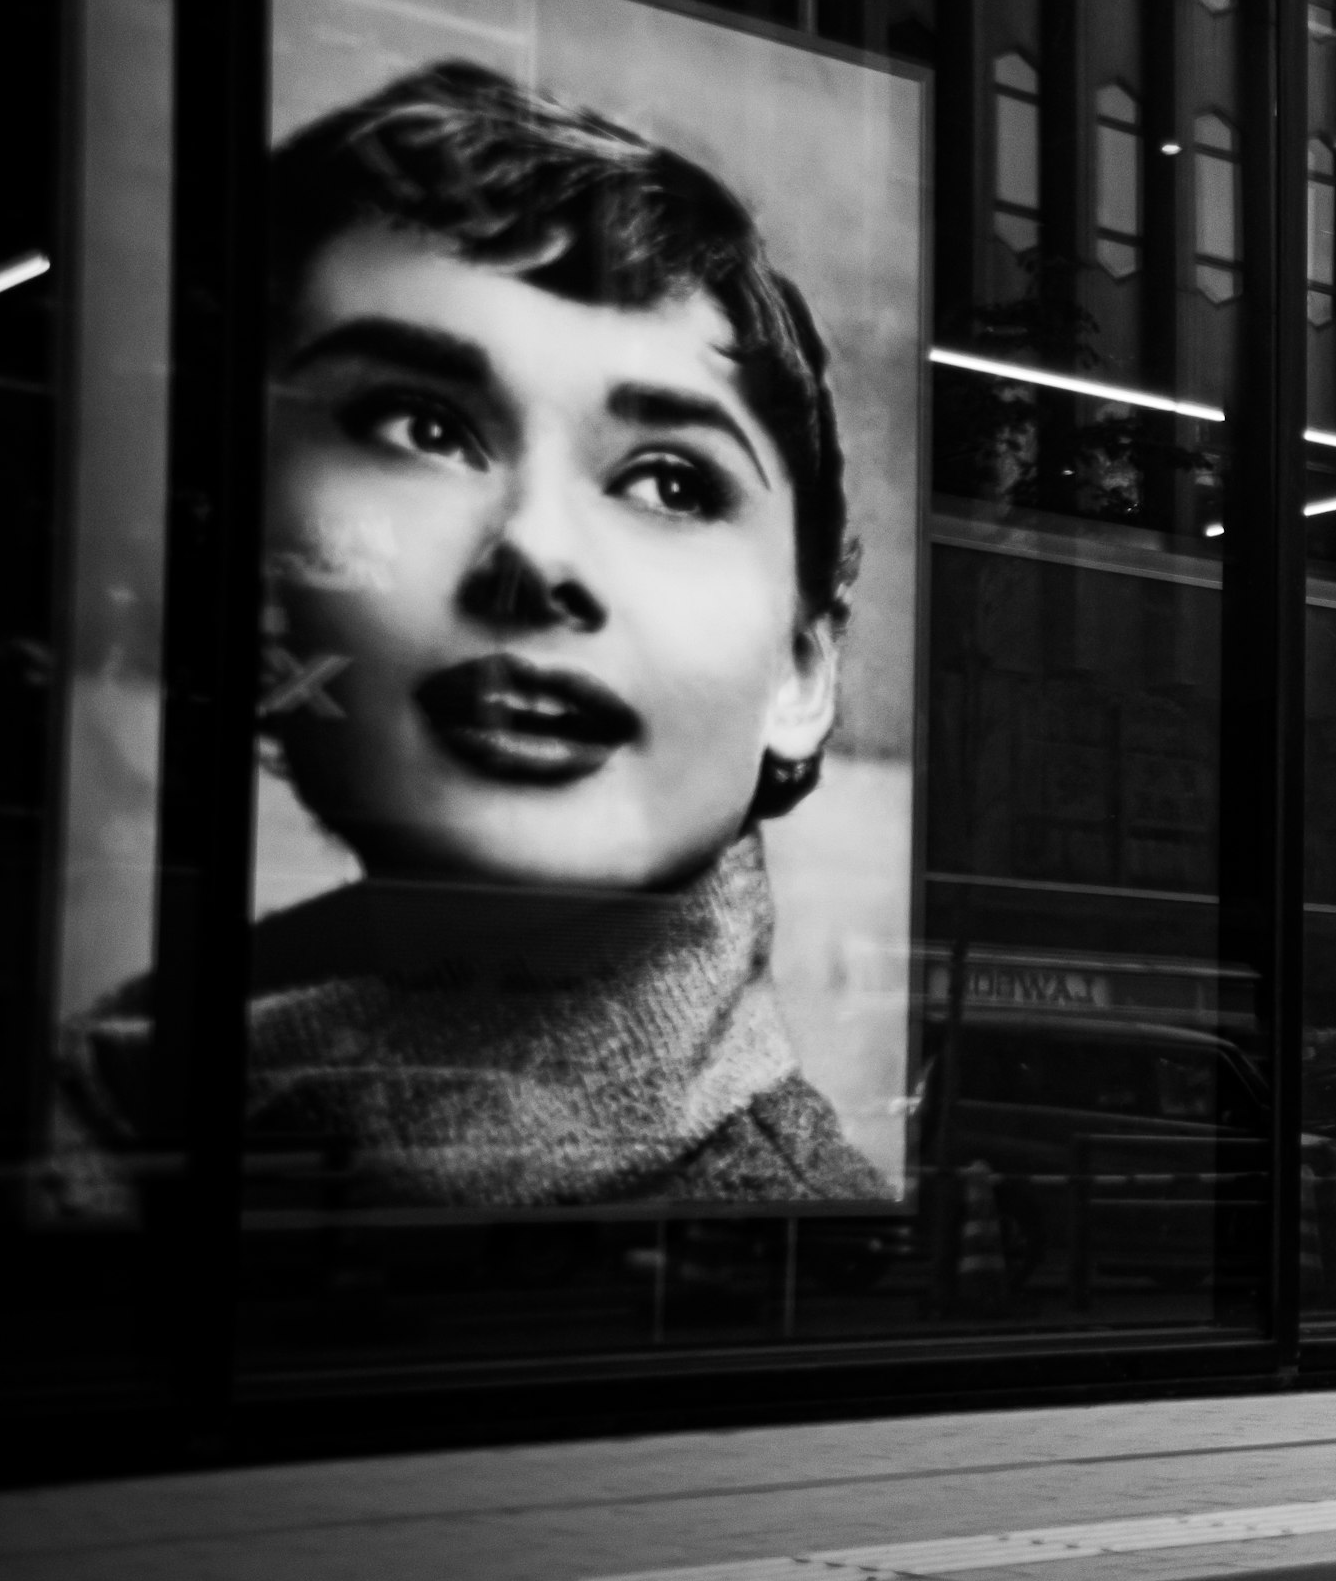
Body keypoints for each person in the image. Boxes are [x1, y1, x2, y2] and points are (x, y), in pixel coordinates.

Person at [57, 62, 887, 1206]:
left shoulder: (792, 1270)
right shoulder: (112, 1104)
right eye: (422, 428)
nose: (535, 554)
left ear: (803, 669)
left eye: (669, 484)